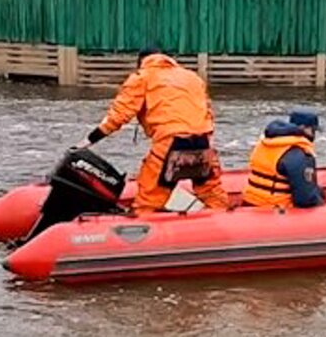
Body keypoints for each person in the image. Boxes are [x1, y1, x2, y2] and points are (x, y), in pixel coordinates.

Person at [77, 46, 228, 215]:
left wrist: (89, 140)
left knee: (149, 197)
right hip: (203, 140)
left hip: (171, 142)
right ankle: (224, 222)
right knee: (210, 190)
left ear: (141, 62)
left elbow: (119, 116)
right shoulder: (192, 77)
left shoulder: (142, 78)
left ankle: (142, 225)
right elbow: (207, 112)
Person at [242, 108, 325, 209]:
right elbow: (305, 199)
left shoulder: (265, 143)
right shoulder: (299, 154)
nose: (314, 134)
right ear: (304, 128)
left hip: (252, 201)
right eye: (313, 130)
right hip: (276, 209)